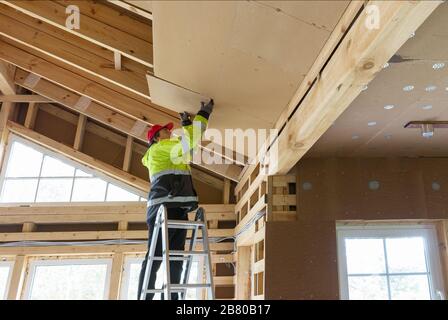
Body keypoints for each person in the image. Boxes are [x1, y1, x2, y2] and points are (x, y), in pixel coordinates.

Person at [137, 99, 214, 300]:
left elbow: (189, 148)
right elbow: (189, 143)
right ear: (155, 138)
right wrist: (203, 114)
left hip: (176, 207)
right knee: (154, 258)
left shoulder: (172, 152)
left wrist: (187, 125)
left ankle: (173, 298)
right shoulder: (158, 149)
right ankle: (144, 298)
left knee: (176, 258)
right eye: (165, 131)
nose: (169, 132)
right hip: (163, 209)